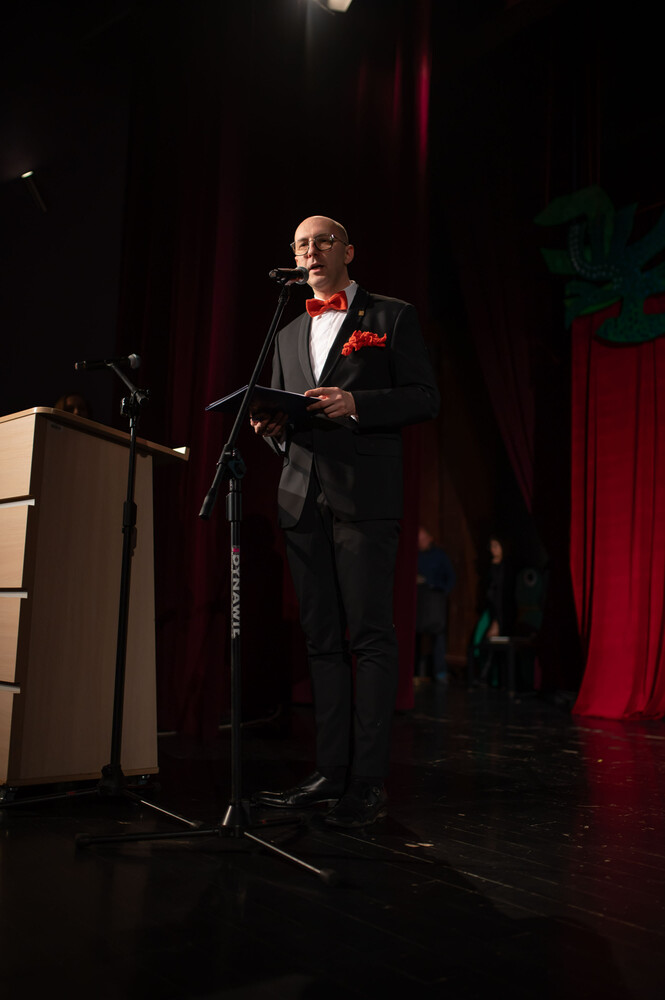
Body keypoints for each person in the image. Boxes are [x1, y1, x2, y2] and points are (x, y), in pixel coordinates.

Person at [251, 215, 439, 827]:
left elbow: (424, 397)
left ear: (349, 251)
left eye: (322, 241)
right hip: (300, 497)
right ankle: (330, 772)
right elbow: (283, 414)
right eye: (301, 244)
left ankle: (368, 782)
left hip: (364, 495)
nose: (311, 251)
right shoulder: (285, 333)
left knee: (371, 637)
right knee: (322, 641)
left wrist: (358, 402)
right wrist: (270, 428)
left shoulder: (390, 316)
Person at [415, 526, 456, 683]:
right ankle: (414, 671)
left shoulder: (439, 555)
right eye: (418, 540)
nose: (421, 542)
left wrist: (439, 588)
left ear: (430, 538)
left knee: (438, 634)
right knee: (415, 636)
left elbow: (451, 578)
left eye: (423, 539)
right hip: (419, 601)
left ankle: (440, 672)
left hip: (435, 600)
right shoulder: (415, 555)